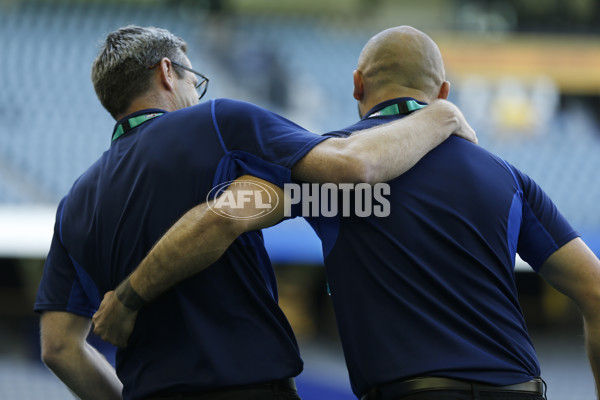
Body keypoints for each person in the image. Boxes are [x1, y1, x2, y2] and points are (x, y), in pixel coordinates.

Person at [92, 26, 600, 400]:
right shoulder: (507, 176)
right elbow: (594, 291)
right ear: (442, 93)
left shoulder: (321, 172)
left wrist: (129, 297)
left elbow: (224, 215)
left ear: (357, 86)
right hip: (521, 389)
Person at [33, 25, 476, 400]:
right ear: (167, 72)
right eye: (194, 79)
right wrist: (442, 116)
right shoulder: (214, 124)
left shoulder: (76, 200)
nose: (196, 91)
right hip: (248, 383)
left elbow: (58, 348)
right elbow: (351, 168)